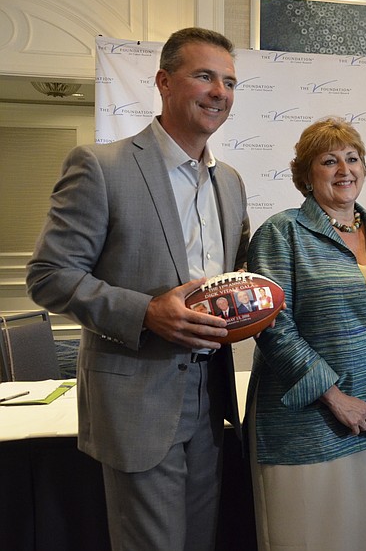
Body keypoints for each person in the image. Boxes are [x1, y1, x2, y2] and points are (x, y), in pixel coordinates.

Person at [25, 28, 250, 550]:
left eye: (230, 81)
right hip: (137, 400)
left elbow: (236, 271)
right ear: (164, 82)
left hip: (211, 395)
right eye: (205, 76)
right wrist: (146, 311)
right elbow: (49, 275)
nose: (220, 91)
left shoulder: (230, 181)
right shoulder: (101, 167)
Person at [246, 117, 366, 551]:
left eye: (352, 158)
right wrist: (336, 399)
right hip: (305, 428)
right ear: (306, 176)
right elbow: (272, 327)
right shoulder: (280, 232)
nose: (345, 169)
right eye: (329, 161)